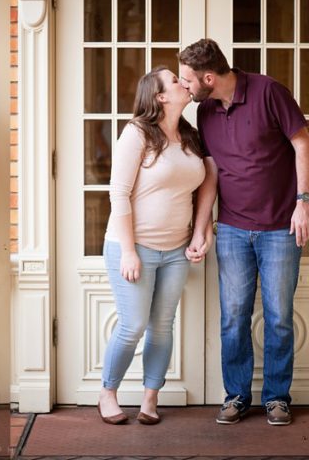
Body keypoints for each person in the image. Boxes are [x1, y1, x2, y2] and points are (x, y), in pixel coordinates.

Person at [178, 38, 309, 426]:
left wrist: (303, 201)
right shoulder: (204, 111)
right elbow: (211, 173)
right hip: (234, 229)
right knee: (233, 316)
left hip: (280, 228)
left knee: (278, 317)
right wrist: (202, 227)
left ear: (208, 77)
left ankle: (276, 398)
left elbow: (302, 143)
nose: (185, 86)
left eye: (188, 80)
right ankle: (236, 395)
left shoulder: (269, 91)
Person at [97, 67, 214, 426]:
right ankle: (108, 393)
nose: (185, 83)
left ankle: (150, 399)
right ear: (160, 96)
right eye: (176, 81)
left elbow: (208, 182)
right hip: (135, 247)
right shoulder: (136, 133)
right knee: (133, 325)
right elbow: (118, 193)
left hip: (177, 249)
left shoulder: (191, 136)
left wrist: (201, 231)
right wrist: (129, 251)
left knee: (162, 325)